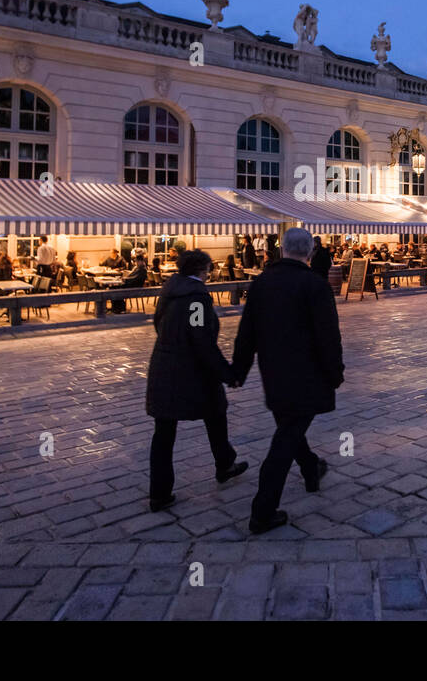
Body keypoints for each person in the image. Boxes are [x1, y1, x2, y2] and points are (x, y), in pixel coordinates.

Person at [232, 227, 344, 534]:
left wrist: (238, 371)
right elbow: (328, 336)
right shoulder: (315, 285)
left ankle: (311, 469)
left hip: (274, 374)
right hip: (307, 375)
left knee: (290, 429)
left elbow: (246, 334)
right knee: (284, 441)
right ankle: (262, 512)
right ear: (309, 253)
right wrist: (335, 373)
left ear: (281, 250)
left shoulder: (261, 284)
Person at [144, 249, 248, 512]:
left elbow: (159, 325)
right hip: (192, 371)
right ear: (203, 270)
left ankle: (159, 492)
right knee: (215, 414)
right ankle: (224, 464)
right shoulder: (196, 300)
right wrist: (228, 374)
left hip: (163, 366)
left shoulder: (169, 292)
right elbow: (201, 339)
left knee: (164, 432)